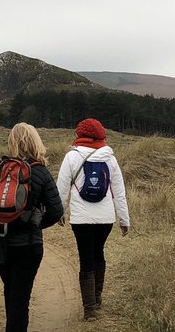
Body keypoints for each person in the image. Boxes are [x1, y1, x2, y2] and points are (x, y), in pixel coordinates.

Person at [0, 123, 63, 332]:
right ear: (36, 142)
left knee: (11, 291)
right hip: (28, 246)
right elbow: (56, 210)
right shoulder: (40, 172)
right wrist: (35, 224)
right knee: (19, 299)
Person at [56, 118, 130, 320]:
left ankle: (89, 309)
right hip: (105, 219)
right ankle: (97, 297)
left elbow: (62, 188)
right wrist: (124, 220)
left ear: (80, 135)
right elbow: (119, 192)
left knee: (85, 258)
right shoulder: (110, 158)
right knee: (99, 253)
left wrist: (59, 212)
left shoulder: (71, 157)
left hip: (81, 219)